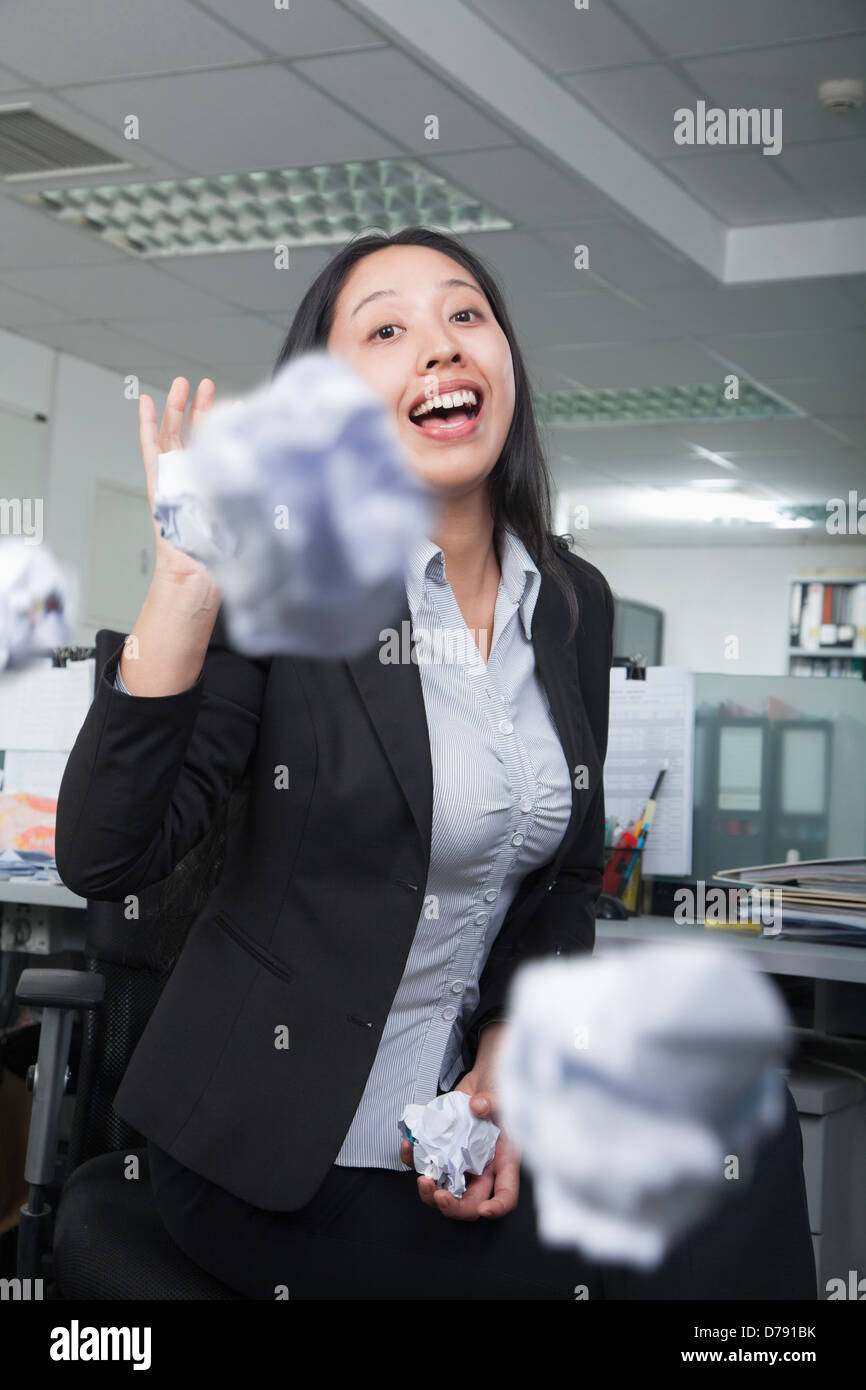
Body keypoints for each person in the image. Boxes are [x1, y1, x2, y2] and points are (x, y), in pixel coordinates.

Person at [55, 226, 815, 1301]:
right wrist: (184, 583)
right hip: (276, 1145)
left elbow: (563, 876)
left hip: (463, 1111)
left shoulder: (570, 598)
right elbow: (105, 855)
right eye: (386, 329)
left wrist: (504, 1039)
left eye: (465, 315)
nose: (440, 347)